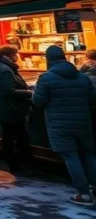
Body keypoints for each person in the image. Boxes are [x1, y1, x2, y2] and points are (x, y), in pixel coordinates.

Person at [32, 45, 96, 205]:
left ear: (48, 59)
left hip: (58, 124)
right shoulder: (83, 77)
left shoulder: (46, 78)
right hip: (83, 122)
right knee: (88, 154)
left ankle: (84, 194)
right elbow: (93, 100)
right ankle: (94, 187)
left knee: (70, 156)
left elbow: (38, 102)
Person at [0, 45, 33, 173]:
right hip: (11, 109)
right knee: (18, 137)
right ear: (7, 56)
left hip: (4, 108)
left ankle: (15, 164)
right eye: (15, 54)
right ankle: (18, 165)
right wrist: (29, 93)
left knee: (9, 136)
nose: (17, 56)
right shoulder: (5, 70)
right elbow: (9, 91)